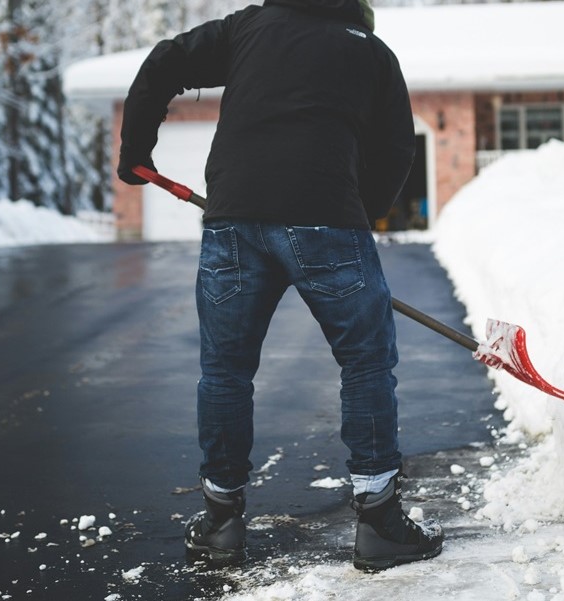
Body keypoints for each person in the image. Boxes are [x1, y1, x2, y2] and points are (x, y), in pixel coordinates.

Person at [117, 0, 443, 572]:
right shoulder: (369, 51)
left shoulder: (248, 29)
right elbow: (396, 149)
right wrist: (352, 218)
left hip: (233, 219)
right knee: (366, 364)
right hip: (326, 217)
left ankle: (221, 521)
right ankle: (379, 523)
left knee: (225, 369)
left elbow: (166, 59)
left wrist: (135, 148)